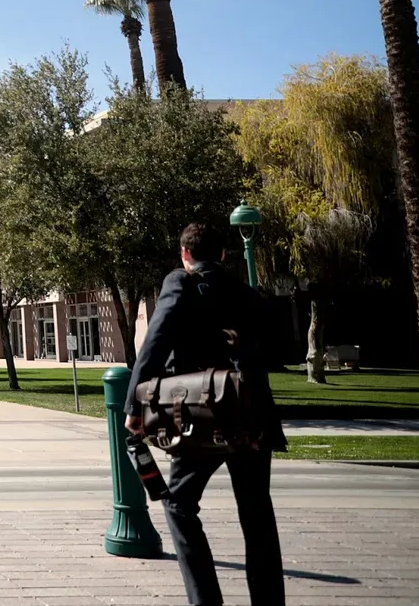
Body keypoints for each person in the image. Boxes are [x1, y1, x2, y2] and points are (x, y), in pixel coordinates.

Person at [126, 223, 286, 606]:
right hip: (251, 418)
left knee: (179, 504)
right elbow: (281, 348)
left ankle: (206, 600)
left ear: (185, 253)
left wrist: (135, 405)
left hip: (199, 415)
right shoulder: (246, 293)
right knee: (256, 512)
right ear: (225, 255)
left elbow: (155, 342)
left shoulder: (180, 283)